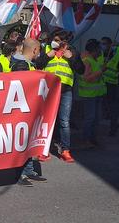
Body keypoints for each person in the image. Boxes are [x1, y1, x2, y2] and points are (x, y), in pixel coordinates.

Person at [38, 31, 80, 162]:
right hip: (49, 90)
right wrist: (48, 56)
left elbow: (81, 69)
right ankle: (44, 150)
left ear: (65, 42)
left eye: (59, 40)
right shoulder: (47, 49)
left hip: (65, 91)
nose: (56, 42)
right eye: (54, 39)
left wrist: (71, 57)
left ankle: (65, 150)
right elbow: (37, 64)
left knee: (64, 121)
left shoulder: (72, 51)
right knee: (47, 120)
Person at [10, 38, 47, 187]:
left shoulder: (26, 64)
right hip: (23, 110)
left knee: (29, 141)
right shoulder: (21, 65)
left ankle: (29, 170)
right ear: (35, 50)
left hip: (29, 109)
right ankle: (21, 173)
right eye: (39, 50)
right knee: (22, 142)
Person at [79, 40, 107, 147]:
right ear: (94, 50)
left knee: (97, 117)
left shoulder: (97, 59)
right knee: (90, 118)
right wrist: (100, 71)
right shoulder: (87, 61)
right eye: (99, 49)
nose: (101, 51)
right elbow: (87, 78)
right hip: (89, 95)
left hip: (98, 93)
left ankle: (93, 138)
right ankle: (86, 139)